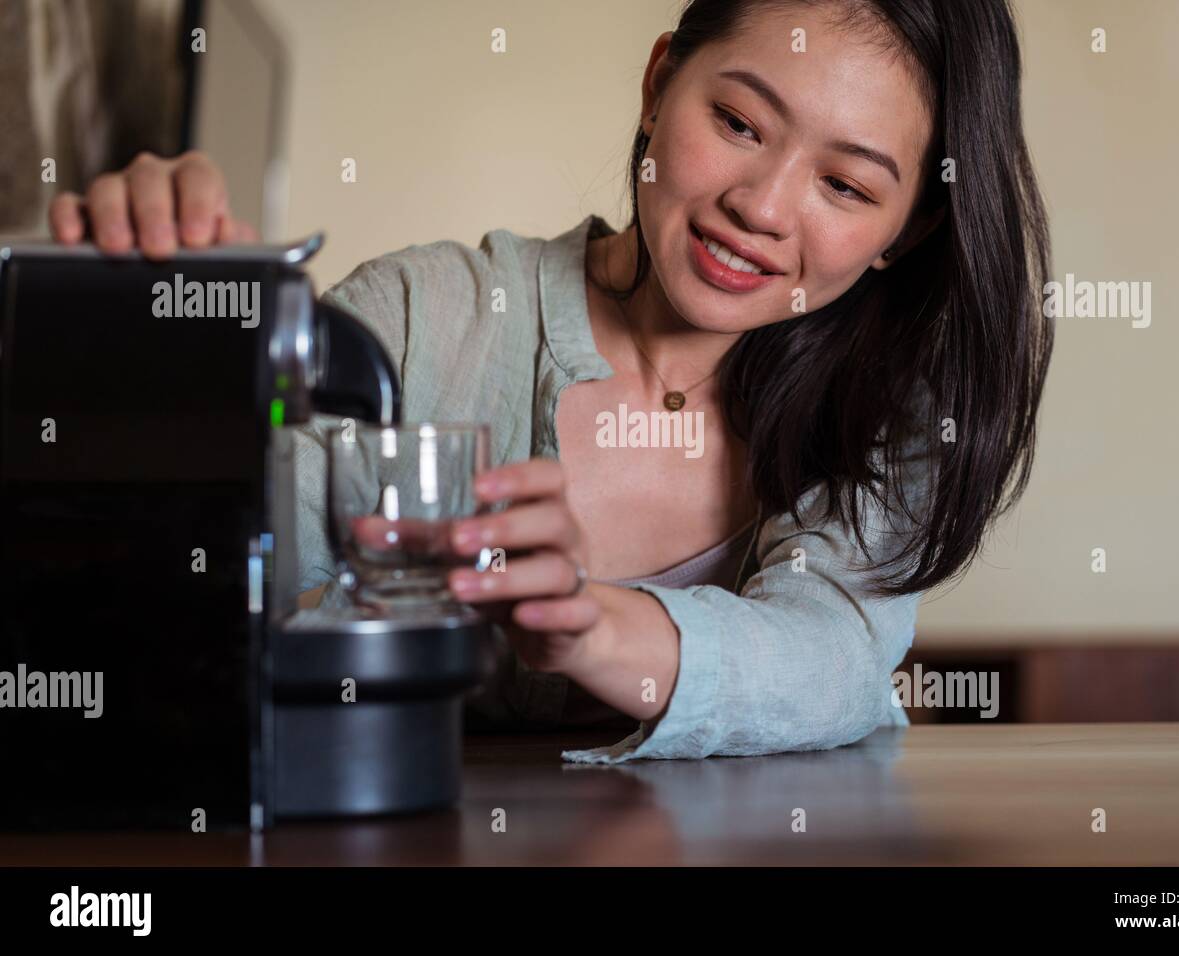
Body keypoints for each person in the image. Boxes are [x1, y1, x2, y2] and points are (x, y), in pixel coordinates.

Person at [47, 0, 1053, 763]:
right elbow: (191, 559)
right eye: (741, 123)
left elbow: (834, 656)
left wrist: (587, 619)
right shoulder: (425, 315)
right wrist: (148, 333)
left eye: (844, 185)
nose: (762, 206)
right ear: (660, 85)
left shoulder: (883, 420)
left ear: (907, 229)